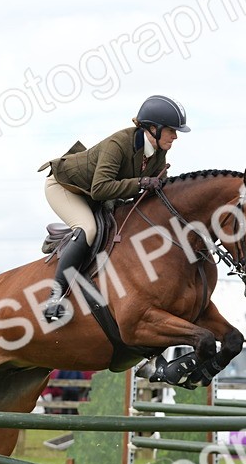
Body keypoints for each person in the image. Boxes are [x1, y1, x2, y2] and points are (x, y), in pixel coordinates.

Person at [37, 94, 190, 321]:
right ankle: (54, 299)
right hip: (66, 187)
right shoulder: (118, 144)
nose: (175, 136)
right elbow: (100, 188)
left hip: (96, 194)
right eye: (171, 130)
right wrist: (140, 183)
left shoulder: (159, 152)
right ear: (153, 129)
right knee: (88, 229)